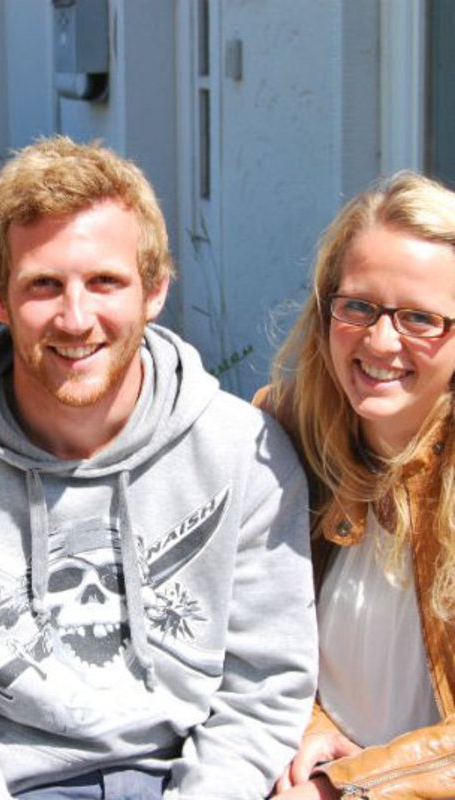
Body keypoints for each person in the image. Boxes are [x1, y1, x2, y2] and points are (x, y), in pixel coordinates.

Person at [0, 135, 316, 799]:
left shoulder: (244, 454)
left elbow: (263, 687)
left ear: (155, 291)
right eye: (44, 284)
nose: (74, 318)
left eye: (105, 282)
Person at [258, 172, 455, 799]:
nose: (380, 340)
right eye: (359, 307)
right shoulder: (282, 435)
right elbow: (240, 634)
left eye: (420, 318)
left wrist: (344, 786)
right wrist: (306, 724)